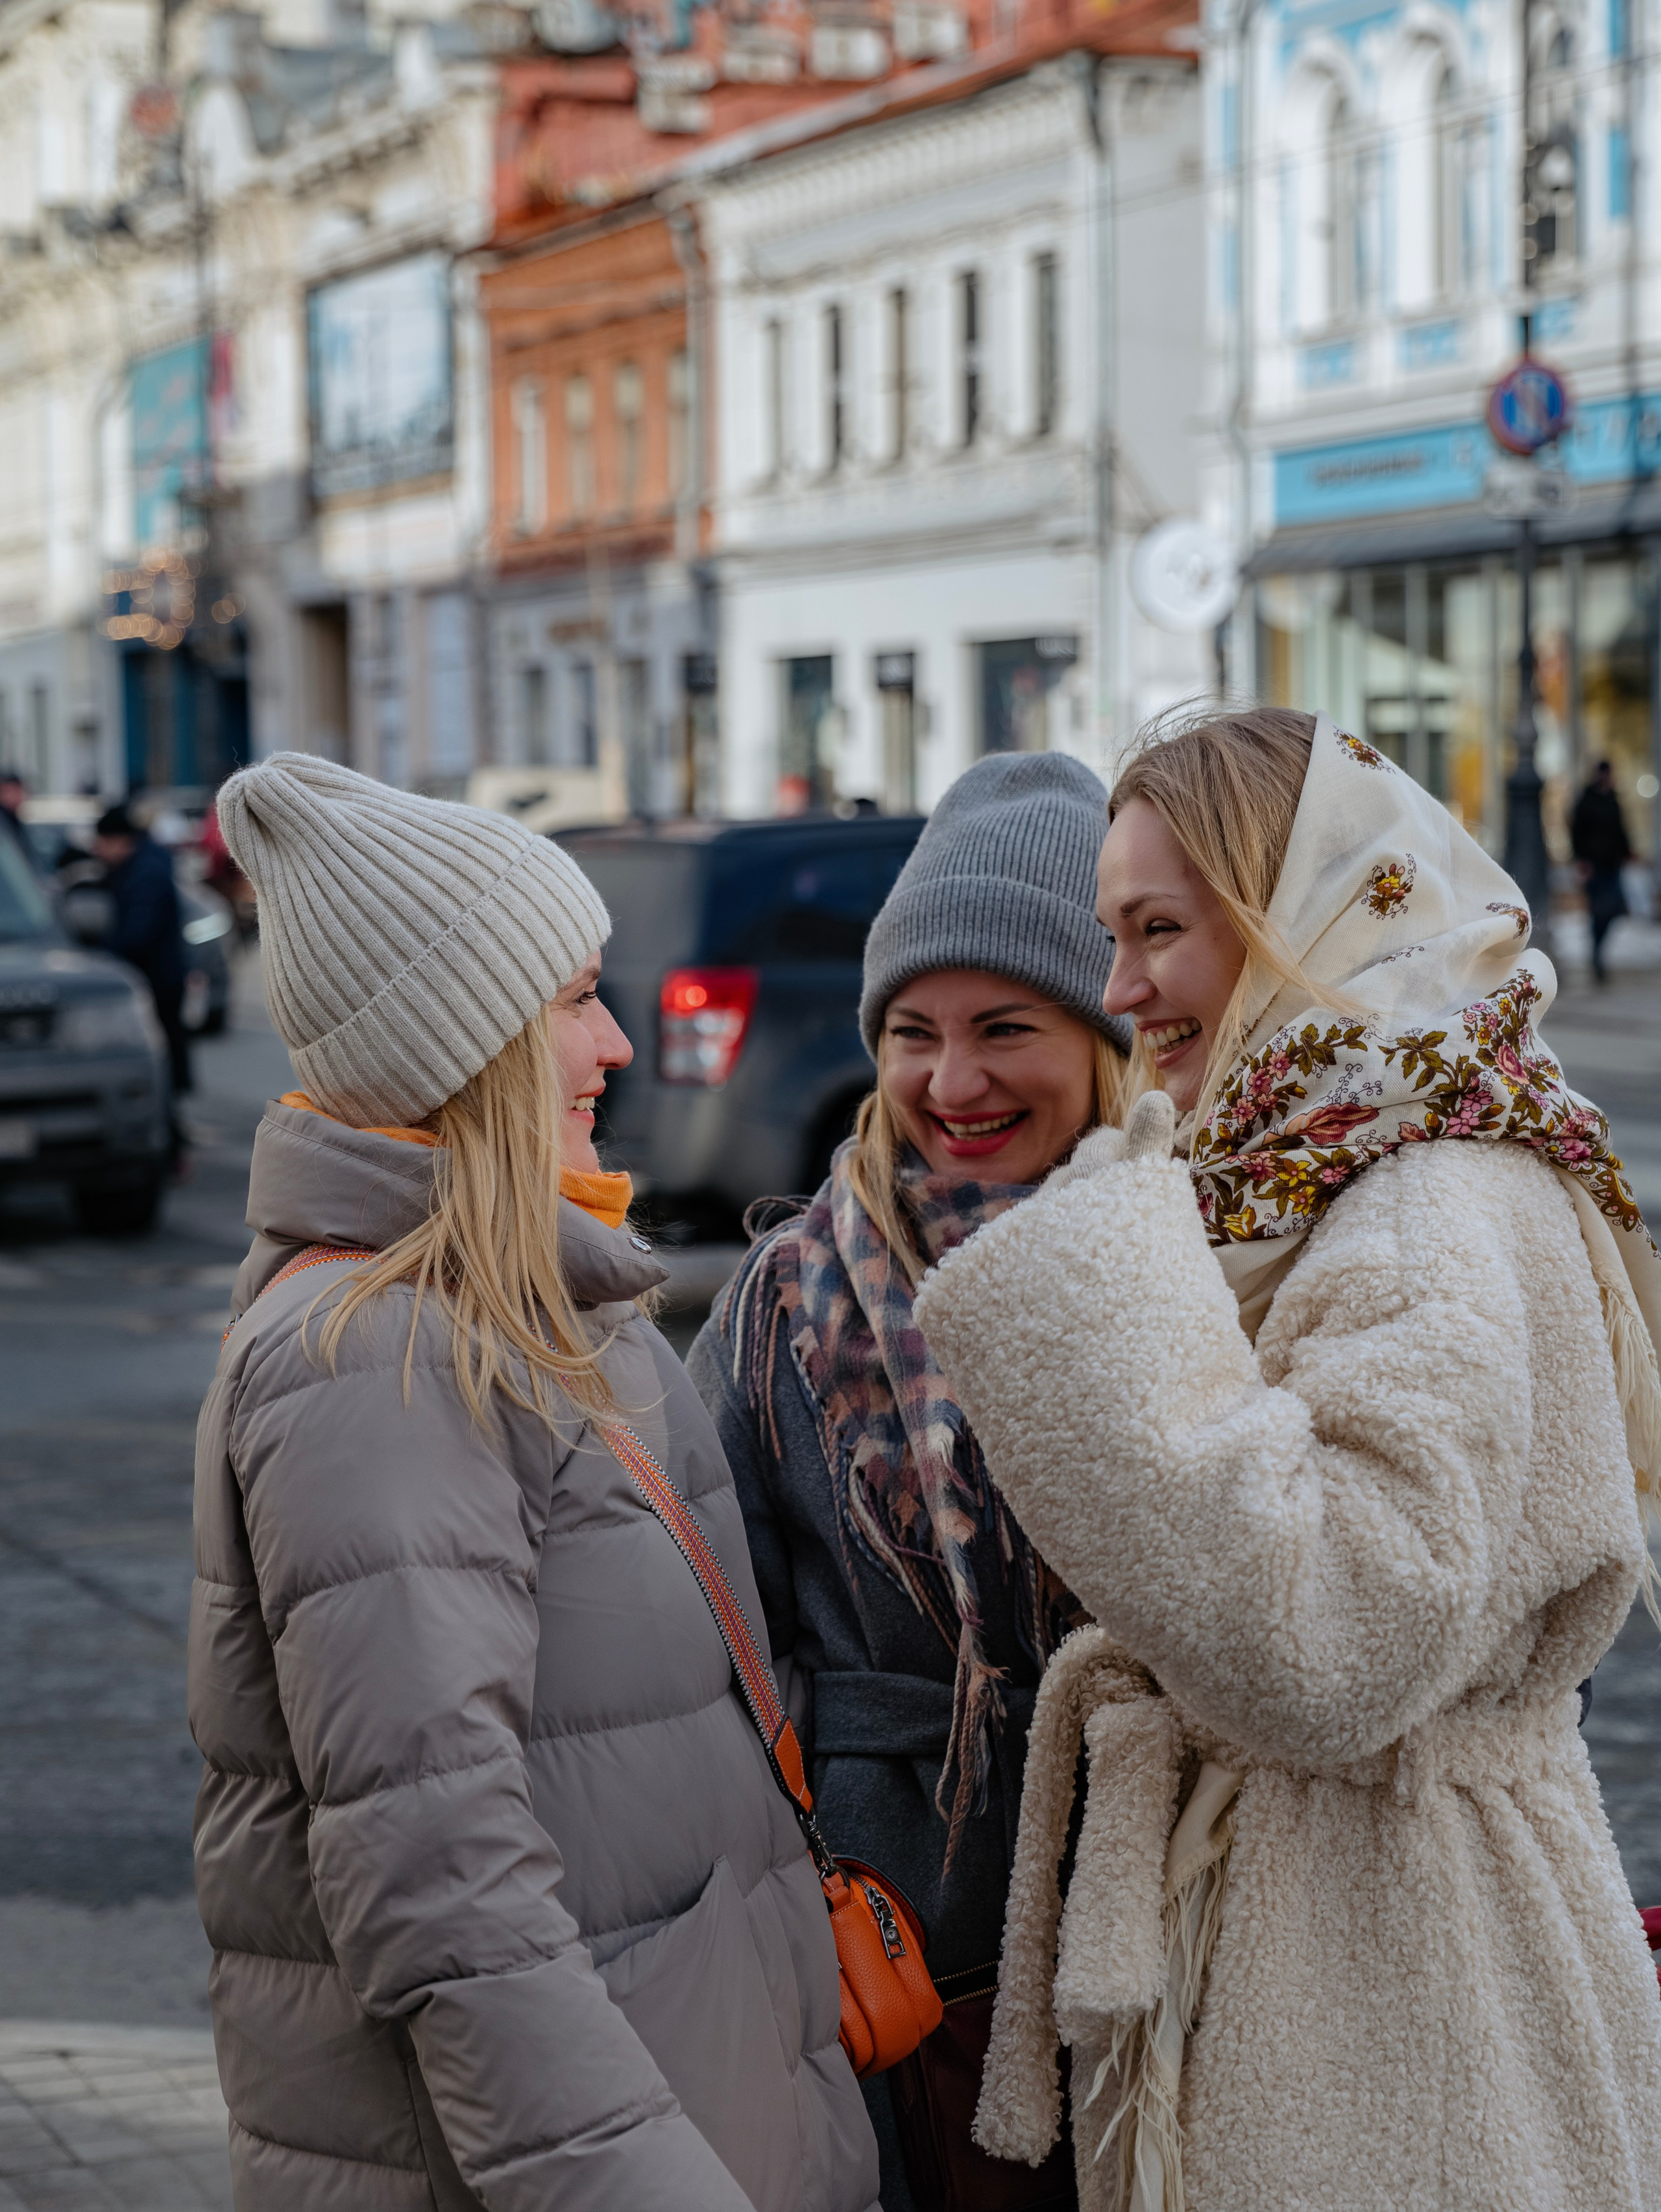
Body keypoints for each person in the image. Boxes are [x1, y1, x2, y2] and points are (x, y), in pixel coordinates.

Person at [914, 710, 1661, 2211]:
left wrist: (1088, 1320)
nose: (1117, 987)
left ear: (1293, 913)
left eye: (1157, 931)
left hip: (1389, 1976)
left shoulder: (1420, 1197)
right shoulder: (1319, 1157)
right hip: (1364, 1934)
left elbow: (1324, 1641)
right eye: (1108, 934)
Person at [192, 754, 879, 2212]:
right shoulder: (379, 1353)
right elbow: (444, 1882)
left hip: (690, 2091)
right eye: (572, 1000)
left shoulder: (535, 1301)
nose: (616, 1043)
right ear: (468, 1046)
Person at [689, 752, 1130, 2212]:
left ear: (1103, 1030)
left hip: (1178, 1935)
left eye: (1005, 1026)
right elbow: (709, 1653)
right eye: (909, 1032)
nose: (952, 1083)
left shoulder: (1208, 1267)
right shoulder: (781, 1302)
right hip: (897, 1961)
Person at [92, 802, 190, 1099]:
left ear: (121, 841)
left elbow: (138, 935)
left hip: (155, 979)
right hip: (161, 975)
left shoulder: (145, 875)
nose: (98, 851)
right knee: (167, 1048)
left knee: (160, 1054)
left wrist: (102, 957)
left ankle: (170, 1125)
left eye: (102, 843)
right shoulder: (144, 866)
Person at [1572, 758, 1635, 984]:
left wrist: (1628, 852)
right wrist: (1581, 860)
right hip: (1594, 866)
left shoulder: (1612, 799)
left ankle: (1599, 950)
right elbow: (1577, 831)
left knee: (1614, 907)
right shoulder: (1587, 800)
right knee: (1599, 910)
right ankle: (1597, 954)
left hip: (1613, 864)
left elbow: (1620, 829)